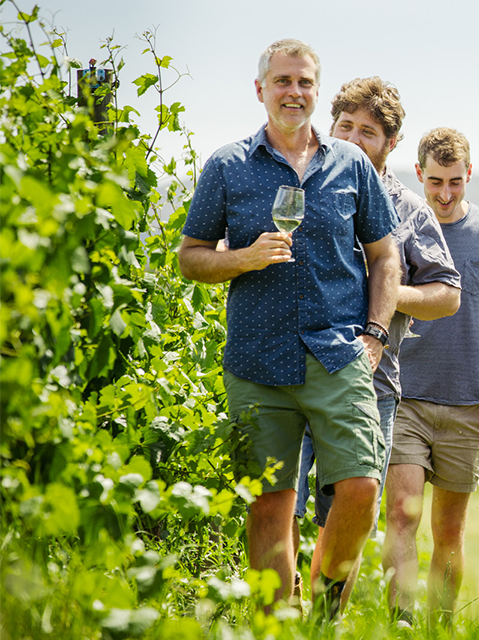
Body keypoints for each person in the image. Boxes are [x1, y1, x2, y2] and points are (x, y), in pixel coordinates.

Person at [177, 39, 402, 619]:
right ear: (261, 90)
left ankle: (324, 612)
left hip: (338, 352)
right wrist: (244, 258)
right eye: (282, 81)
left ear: (316, 93)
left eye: (304, 83)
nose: (294, 92)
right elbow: (191, 257)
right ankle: (276, 626)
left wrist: (375, 333)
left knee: (360, 488)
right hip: (257, 359)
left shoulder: (350, 164)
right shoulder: (228, 165)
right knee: (270, 505)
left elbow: (385, 256)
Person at [290, 77, 461, 603]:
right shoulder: (298, 186)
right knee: (279, 502)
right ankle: (283, 607)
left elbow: (447, 294)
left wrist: (385, 294)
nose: (356, 138)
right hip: (292, 372)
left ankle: (325, 617)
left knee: (350, 512)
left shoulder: (409, 208)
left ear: (390, 144)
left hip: (373, 381)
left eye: (370, 131)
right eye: (346, 126)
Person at [382, 127, 479, 626]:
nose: (445, 195)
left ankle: (439, 627)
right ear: (418, 175)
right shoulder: (395, 224)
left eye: (455, 182)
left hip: (469, 399)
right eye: (434, 183)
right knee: (402, 515)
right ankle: (399, 624)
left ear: (468, 175)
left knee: (449, 532)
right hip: (402, 395)